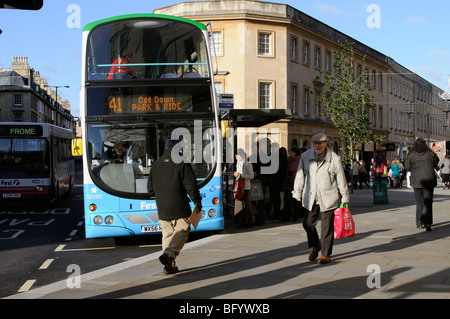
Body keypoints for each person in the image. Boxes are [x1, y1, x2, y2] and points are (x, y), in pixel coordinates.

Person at [147, 133, 202, 274]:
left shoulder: (156, 164)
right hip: (179, 205)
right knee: (183, 230)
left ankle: (169, 265)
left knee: (167, 234)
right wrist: (197, 201)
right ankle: (169, 255)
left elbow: (150, 189)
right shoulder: (181, 162)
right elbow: (191, 185)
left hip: (162, 208)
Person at [293, 133, 350, 264]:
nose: (317, 146)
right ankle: (316, 244)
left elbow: (341, 178)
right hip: (311, 195)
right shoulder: (306, 156)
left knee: (327, 227)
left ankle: (325, 254)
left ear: (326, 143)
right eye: (315, 143)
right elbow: (300, 175)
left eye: (320, 143)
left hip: (328, 196)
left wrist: (345, 196)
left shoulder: (334, 158)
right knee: (307, 223)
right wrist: (297, 192)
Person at [405, 137, 440, 232]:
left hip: (417, 181)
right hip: (429, 181)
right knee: (428, 202)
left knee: (419, 202)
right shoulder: (431, 154)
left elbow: (407, 167)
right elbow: (436, 162)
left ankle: (420, 222)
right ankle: (428, 223)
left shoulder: (411, 155)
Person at [234, 148, 258, 228]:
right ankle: (243, 222)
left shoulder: (248, 164)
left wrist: (241, 175)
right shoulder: (238, 163)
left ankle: (251, 220)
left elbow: (251, 176)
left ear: (240, 155)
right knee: (241, 205)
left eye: (236, 155)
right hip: (239, 187)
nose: (235, 157)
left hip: (246, 187)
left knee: (247, 205)